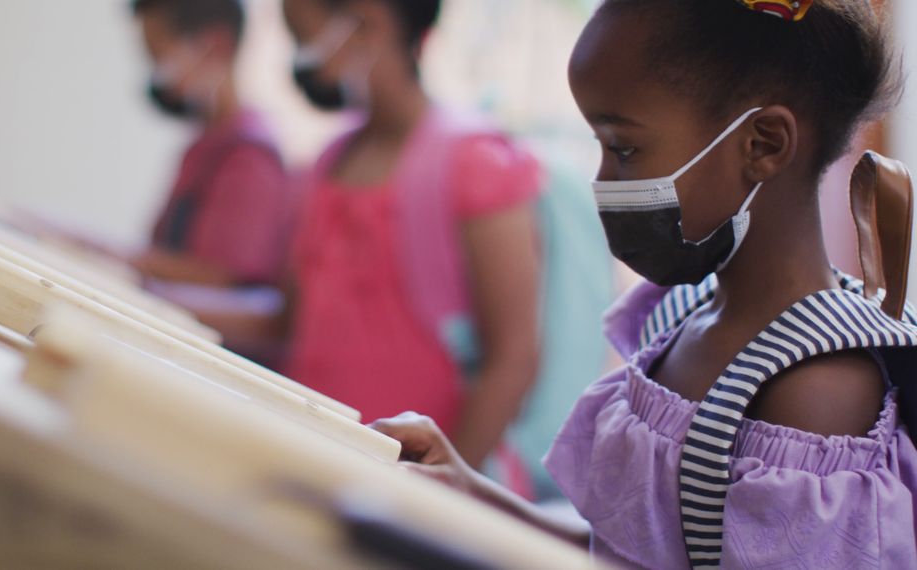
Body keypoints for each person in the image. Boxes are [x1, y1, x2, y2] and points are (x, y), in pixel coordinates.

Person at [373, 0, 917, 567]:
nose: (604, 180)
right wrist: (469, 490)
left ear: (763, 145)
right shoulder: (680, 317)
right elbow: (621, 552)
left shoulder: (815, 392)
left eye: (624, 149)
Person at [281, 0, 544, 474]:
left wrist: (442, 485)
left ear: (367, 23)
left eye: (303, 37)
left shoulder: (475, 162)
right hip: (311, 467)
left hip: (402, 497)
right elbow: (294, 320)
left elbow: (514, 358)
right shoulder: (332, 158)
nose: (298, 57)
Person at [130, 0, 290, 287]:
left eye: (160, 58)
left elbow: (222, 280)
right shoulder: (203, 146)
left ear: (216, 45)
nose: (157, 75)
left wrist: (103, 255)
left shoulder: (250, 157)